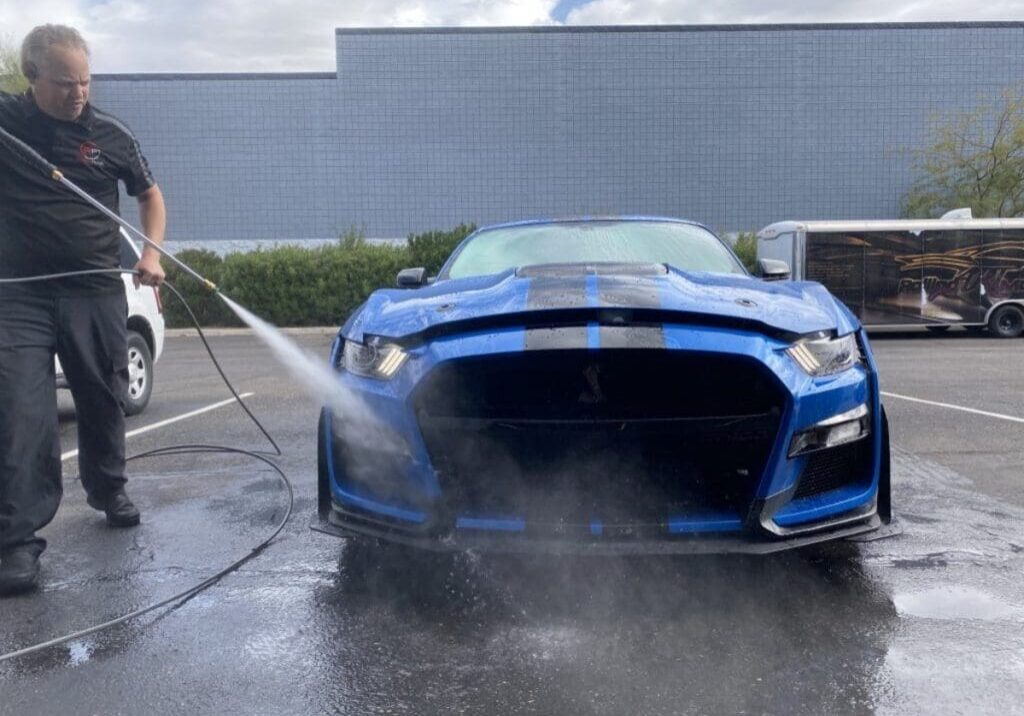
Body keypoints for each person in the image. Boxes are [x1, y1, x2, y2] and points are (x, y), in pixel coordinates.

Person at [0, 24, 166, 595]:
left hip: (95, 287)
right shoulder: (7, 125)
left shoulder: (110, 133)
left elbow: (149, 194)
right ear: (31, 77)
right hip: (19, 293)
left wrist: (150, 252)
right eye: (65, 82)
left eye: (86, 81)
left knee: (103, 393)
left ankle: (108, 486)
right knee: (21, 412)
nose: (78, 93)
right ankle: (18, 543)